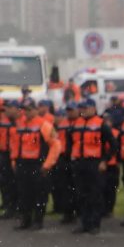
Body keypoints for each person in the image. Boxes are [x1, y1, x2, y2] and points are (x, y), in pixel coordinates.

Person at [10, 98, 61, 230]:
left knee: (39, 194)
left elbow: (56, 145)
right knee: (24, 193)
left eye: (29, 109)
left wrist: (47, 165)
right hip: (23, 164)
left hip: (38, 165)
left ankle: (38, 221)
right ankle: (25, 220)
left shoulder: (44, 125)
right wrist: (14, 160)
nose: (26, 112)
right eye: (24, 110)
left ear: (36, 110)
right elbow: (16, 144)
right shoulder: (20, 125)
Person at [70, 98, 116, 234]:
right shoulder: (76, 124)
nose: (83, 111)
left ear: (93, 109)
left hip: (95, 164)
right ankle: (85, 223)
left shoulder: (101, 124)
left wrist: (104, 160)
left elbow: (113, 145)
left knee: (95, 195)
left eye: (85, 108)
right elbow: (70, 142)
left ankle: (95, 224)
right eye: (81, 108)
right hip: (80, 163)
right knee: (81, 195)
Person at [0, 100, 21, 219]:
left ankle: (17, 207)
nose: (6, 110)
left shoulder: (22, 122)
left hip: (18, 156)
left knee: (17, 182)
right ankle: (9, 207)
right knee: (6, 182)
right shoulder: (3, 122)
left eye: (8, 108)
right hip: (4, 155)